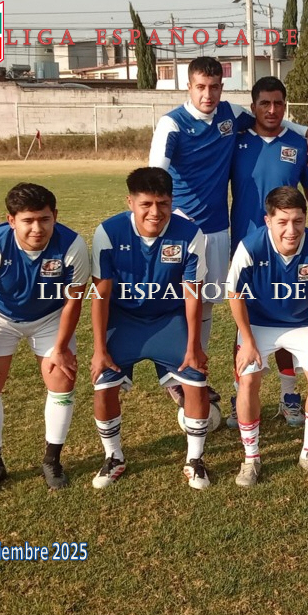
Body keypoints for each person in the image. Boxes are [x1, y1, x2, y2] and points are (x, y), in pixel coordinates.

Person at [149, 57, 308, 408]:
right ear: (188, 87)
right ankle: (172, 373)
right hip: (180, 228)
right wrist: (161, 221)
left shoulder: (229, 114)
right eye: (200, 87)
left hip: (217, 228)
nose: (207, 94)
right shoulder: (171, 123)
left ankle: (195, 373)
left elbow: (270, 117)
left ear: (221, 88)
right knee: (174, 300)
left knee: (207, 302)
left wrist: (306, 131)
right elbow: (156, 177)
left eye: (214, 87)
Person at [89, 167, 213, 490]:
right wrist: (99, 350)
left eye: (163, 203)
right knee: (103, 383)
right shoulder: (108, 233)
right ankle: (114, 456)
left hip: (168, 319)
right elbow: (101, 295)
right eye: (146, 204)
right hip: (124, 319)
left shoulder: (190, 235)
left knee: (196, 380)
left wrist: (194, 346)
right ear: (130, 202)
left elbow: (192, 294)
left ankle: (195, 459)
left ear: (172, 202)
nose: (155, 212)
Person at [0, 183, 90, 494]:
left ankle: (52, 460)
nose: (37, 228)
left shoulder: (72, 245)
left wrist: (60, 348)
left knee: (62, 378)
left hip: (50, 317)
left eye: (44, 219)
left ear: (55, 216)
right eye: (28, 220)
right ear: (11, 220)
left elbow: (73, 302)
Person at [228, 75, 308, 429]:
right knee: (248, 322)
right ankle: (240, 393)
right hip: (248, 245)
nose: (272, 110)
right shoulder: (236, 140)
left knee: (289, 314)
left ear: (285, 106)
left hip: (290, 243)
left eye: (278, 103)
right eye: (265, 103)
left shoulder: (297, 144)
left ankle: (289, 395)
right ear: (253, 107)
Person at [226, 186, 308, 487]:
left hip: (303, 324)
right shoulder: (250, 247)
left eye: (298, 221)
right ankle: (251, 457)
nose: (292, 230)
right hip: (259, 324)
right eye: (283, 222)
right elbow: (235, 295)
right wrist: (247, 342)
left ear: (305, 218)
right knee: (248, 379)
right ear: (268, 220)